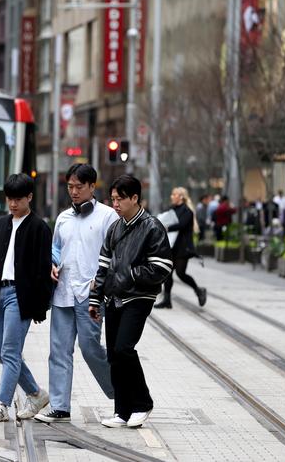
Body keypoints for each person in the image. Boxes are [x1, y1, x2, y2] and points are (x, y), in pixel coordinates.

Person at [34, 164, 117, 424]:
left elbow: (115, 254)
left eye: (79, 187)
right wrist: (51, 264)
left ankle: (120, 392)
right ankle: (60, 406)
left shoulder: (107, 217)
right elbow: (55, 249)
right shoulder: (62, 219)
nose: (74, 191)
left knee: (90, 348)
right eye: (70, 186)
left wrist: (100, 283)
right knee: (58, 351)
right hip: (63, 293)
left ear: (93, 186)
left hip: (90, 294)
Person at [88, 175, 172, 429]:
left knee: (124, 348)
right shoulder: (115, 228)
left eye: (120, 199)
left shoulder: (152, 227)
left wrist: (131, 275)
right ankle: (122, 411)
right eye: (112, 199)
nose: (115, 204)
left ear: (134, 198)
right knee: (113, 353)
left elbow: (163, 266)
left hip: (138, 297)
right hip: (114, 297)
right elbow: (103, 266)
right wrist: (95, 299)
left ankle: (142, 403)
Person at [0, 173, 52, 422]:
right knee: (1, 353)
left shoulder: (39, 228)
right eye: (9, 199)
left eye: (18, 199)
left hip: (21, 296)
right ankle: (36, 394)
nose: (13, 204)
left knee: (10, 352)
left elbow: (42, 271)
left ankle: (1, 405)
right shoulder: (0, 225)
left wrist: (39, 308)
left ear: (29, 197)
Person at [155, 187, 206, 309]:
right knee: (167, 273)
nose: (172, 196)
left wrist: (167, 227)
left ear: (181, 197)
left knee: (181, 273)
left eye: (174, 194)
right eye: (172, 194)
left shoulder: (187, 211)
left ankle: (199, 290)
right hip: (171, 246)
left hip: (183, 248)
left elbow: (181, 225)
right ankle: (167, 300)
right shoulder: (172, 209)